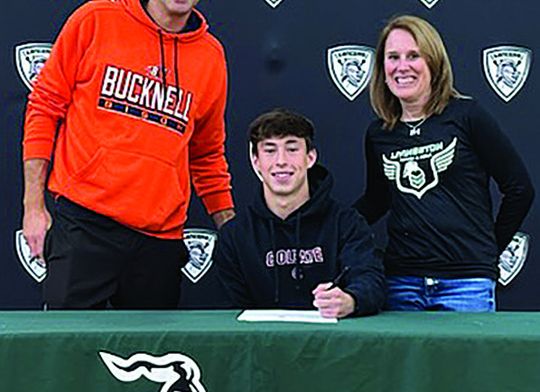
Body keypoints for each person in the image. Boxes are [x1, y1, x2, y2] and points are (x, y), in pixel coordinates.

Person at [22, 0, 235, 309]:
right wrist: (33, 206)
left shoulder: (210, 56)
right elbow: (44, 108)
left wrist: (229, 228)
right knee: (67, 351)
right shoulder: (95, 19)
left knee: (148, 356)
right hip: (85, 225)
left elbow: (207, 154)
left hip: (159, 240)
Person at [354, 15, 534, 311]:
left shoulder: (467, 116)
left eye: (414, 56)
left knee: (466, 361)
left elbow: (520, 188)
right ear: (382, 70)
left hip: (466, 286)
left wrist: (488, 251)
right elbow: (377, 201)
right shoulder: (379, 134)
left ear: (434, 63)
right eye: (393, 57)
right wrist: (327, 223)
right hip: (401, 284)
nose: (402, 66)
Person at [214, 109, 385, 318]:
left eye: (292, 149)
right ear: (256, 161)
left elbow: (370, 280)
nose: (281, 161)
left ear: (310, 157)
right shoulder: (235, 235)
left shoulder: (346, 223)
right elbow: (229, 313)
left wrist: (350, 300)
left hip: (332, 345)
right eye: (270, 150)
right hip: (261, 346)